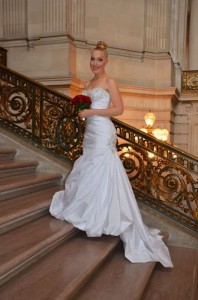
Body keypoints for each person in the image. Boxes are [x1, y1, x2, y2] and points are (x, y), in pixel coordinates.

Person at [49, 41, 173, 268]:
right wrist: (82, 114)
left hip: (103, 130)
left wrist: (93, 111)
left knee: (103, 168)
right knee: (89, 167)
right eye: (92, 59)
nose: (94, 63)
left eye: (99, 59)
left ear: (106, 61)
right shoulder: (89, 82)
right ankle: (89, 211)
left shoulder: (109, 81)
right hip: (91, 133)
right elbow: (87, 108)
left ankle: (103, 217)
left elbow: (118, 109)